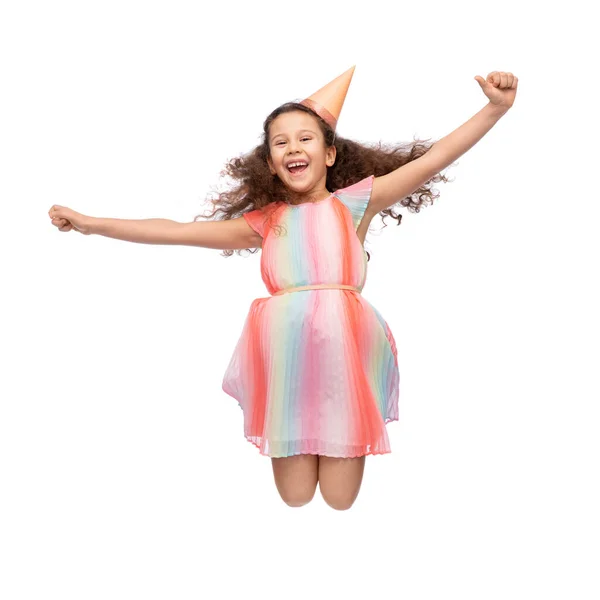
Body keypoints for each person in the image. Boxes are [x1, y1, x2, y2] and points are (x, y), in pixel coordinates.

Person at [48, 66, 518, 511]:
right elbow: (172, 230)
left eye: (305, 137)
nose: (293, 146)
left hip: (344, 359)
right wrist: (92, 224)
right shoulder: (265, 223)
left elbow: (436, 157)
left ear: (329, 154)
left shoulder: (355, 204)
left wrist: (494, 109)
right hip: (287, 364)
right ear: (271, 164)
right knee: (294, 498)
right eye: (281, 142)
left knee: (339, 499)